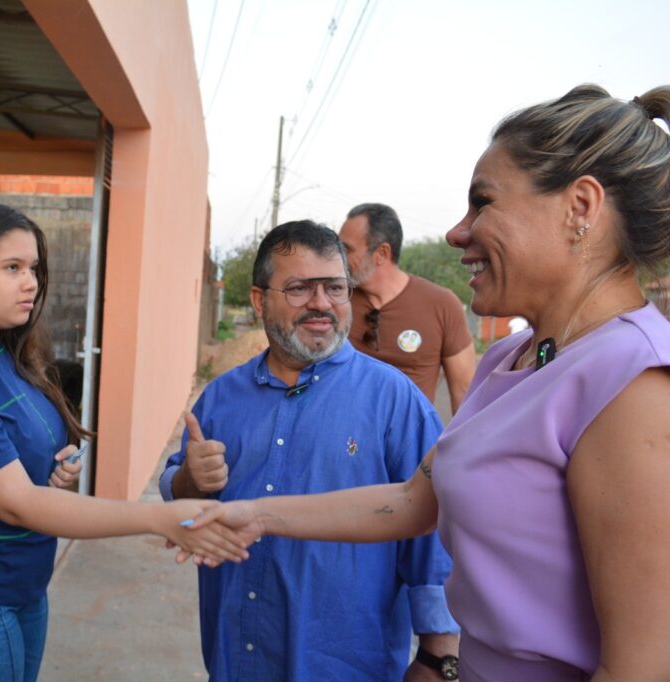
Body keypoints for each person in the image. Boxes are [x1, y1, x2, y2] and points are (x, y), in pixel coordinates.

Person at [188, 85, 670, 680]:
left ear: (580, 206)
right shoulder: (515, 357)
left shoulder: (634, 383)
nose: (455, 234)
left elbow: (641, 666)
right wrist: (257, 516)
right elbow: (412, 501)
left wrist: (434, 649)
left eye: (483, 203)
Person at [0, 198, 247, 682]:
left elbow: (24, 476)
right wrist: (160, 517)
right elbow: (17, 504)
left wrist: (58, 470)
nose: (31, 282)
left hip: (20, 583)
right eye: (12, 267)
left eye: (34, 269)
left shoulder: (10, 356)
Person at [159, 220, 458, 681]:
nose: (322, 304)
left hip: (348, 663)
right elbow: (180, 508)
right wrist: (188, 481)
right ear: (260, 300)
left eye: (335, 288)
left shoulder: (395, 402)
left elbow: (432, 529)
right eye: (299, 288)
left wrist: (438, 655)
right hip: (237, 659)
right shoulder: (220, 399)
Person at [340, 203, 476, 410]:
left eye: (346, 249)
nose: (338, 257)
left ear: (381, 253)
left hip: (412, 441)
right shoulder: (334, 302)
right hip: (343, 439)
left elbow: (464, 391)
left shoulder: (442, 304)